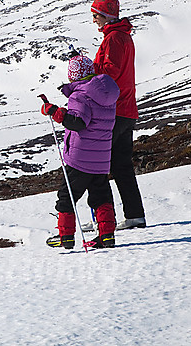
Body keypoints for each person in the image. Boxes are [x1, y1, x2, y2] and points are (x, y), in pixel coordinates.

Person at [41, 55, 120, 249]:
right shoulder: (107, 94)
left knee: (67, 196)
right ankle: (107, 236)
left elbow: (77, 123)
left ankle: (65, 237)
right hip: (101, 159)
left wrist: (54, 112)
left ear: (73, 76)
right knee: (101, 197)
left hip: (80, 158)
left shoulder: (80, 95)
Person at [91, 0, 146, 229]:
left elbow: (109, 74)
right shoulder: (124, 37)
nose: (94, 20)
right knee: (122, 166)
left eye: (96, 15)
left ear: (106, 15)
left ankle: (105, 221)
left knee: (97, 164)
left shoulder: (113, 39)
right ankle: (134, 215)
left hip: (113, 111)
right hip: (127, 110)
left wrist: (87, 75)